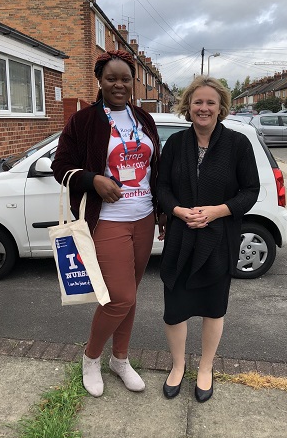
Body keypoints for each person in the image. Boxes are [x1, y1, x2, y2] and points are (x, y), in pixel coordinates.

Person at [52, 50, 161, 397]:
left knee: (130, 297)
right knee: (119, 297)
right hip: (108, 221)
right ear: (99, 80)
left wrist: (160, 213)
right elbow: (61, 168)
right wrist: (92, 179)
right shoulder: (83, 121)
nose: (119, 84)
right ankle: (91, 357)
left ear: (133, 82)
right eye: (112, 78)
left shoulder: (144, 119)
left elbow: (153, 170)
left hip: (143, 218)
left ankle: (121, 359)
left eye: (125, 78)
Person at [157, 75, 260, 403]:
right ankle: (177, 366)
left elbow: (251, 190)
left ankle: (205, 367)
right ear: (188, 106)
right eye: (197, 102)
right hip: (179, 241)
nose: (203, 108)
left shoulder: (238, 145)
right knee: (175, 309)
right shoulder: (174, 144)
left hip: (219, 241)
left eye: (210, 103)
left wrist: (217, 211)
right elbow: (161, 187)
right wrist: (176, 210)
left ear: (221, 108)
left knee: (213, 309)